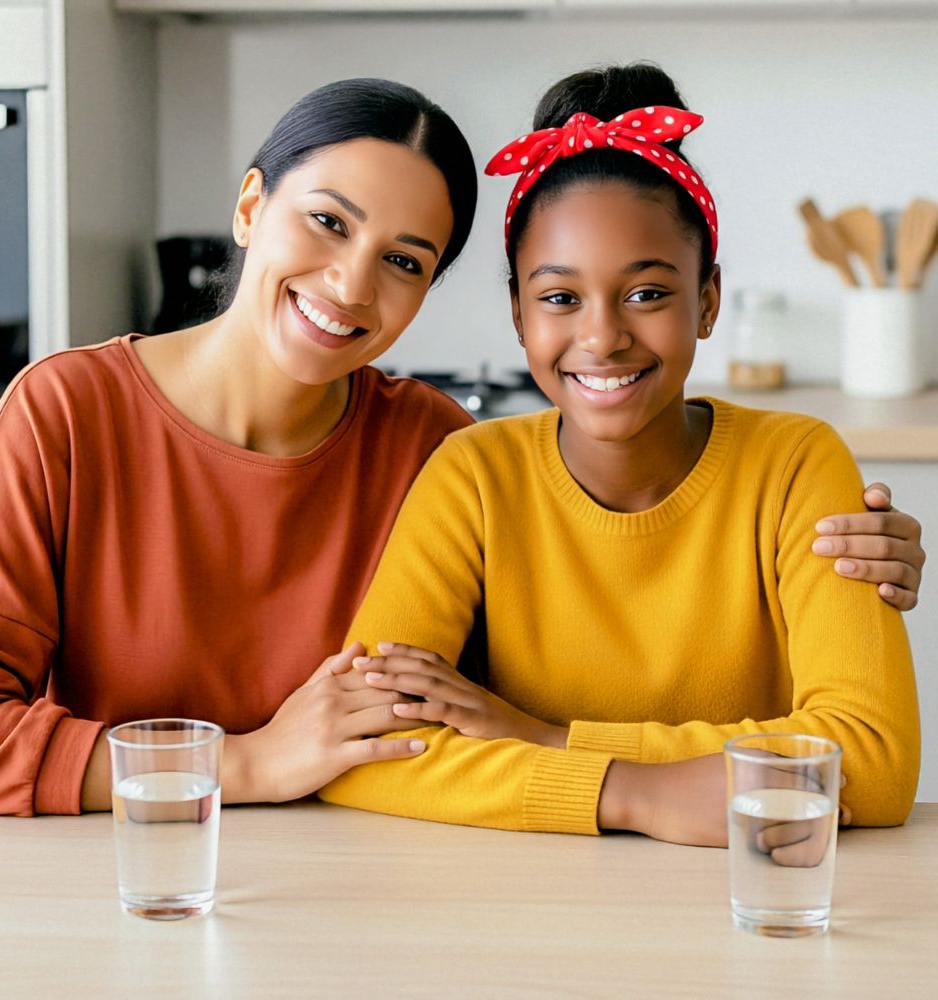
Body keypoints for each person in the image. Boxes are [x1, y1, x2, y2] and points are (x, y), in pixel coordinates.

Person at [0, 77, 923, 818]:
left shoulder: (432, 449)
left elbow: (483, 713)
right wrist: (238, 764)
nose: (350, 285)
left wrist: (835, 569)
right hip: (124, 865)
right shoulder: (64, 413)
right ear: (249, 209)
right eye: (326, 222)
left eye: (403, 261)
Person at [319, 64, 921, 846]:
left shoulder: (796, 465)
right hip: (530, 916)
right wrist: (634, 795)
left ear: (706, 301)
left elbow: (871, 765)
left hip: (756, 897)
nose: (602, 337)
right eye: (560, 298)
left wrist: (544, 737)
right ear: (518, 313)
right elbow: (363, 752)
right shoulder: (473, 475)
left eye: (647, 293)